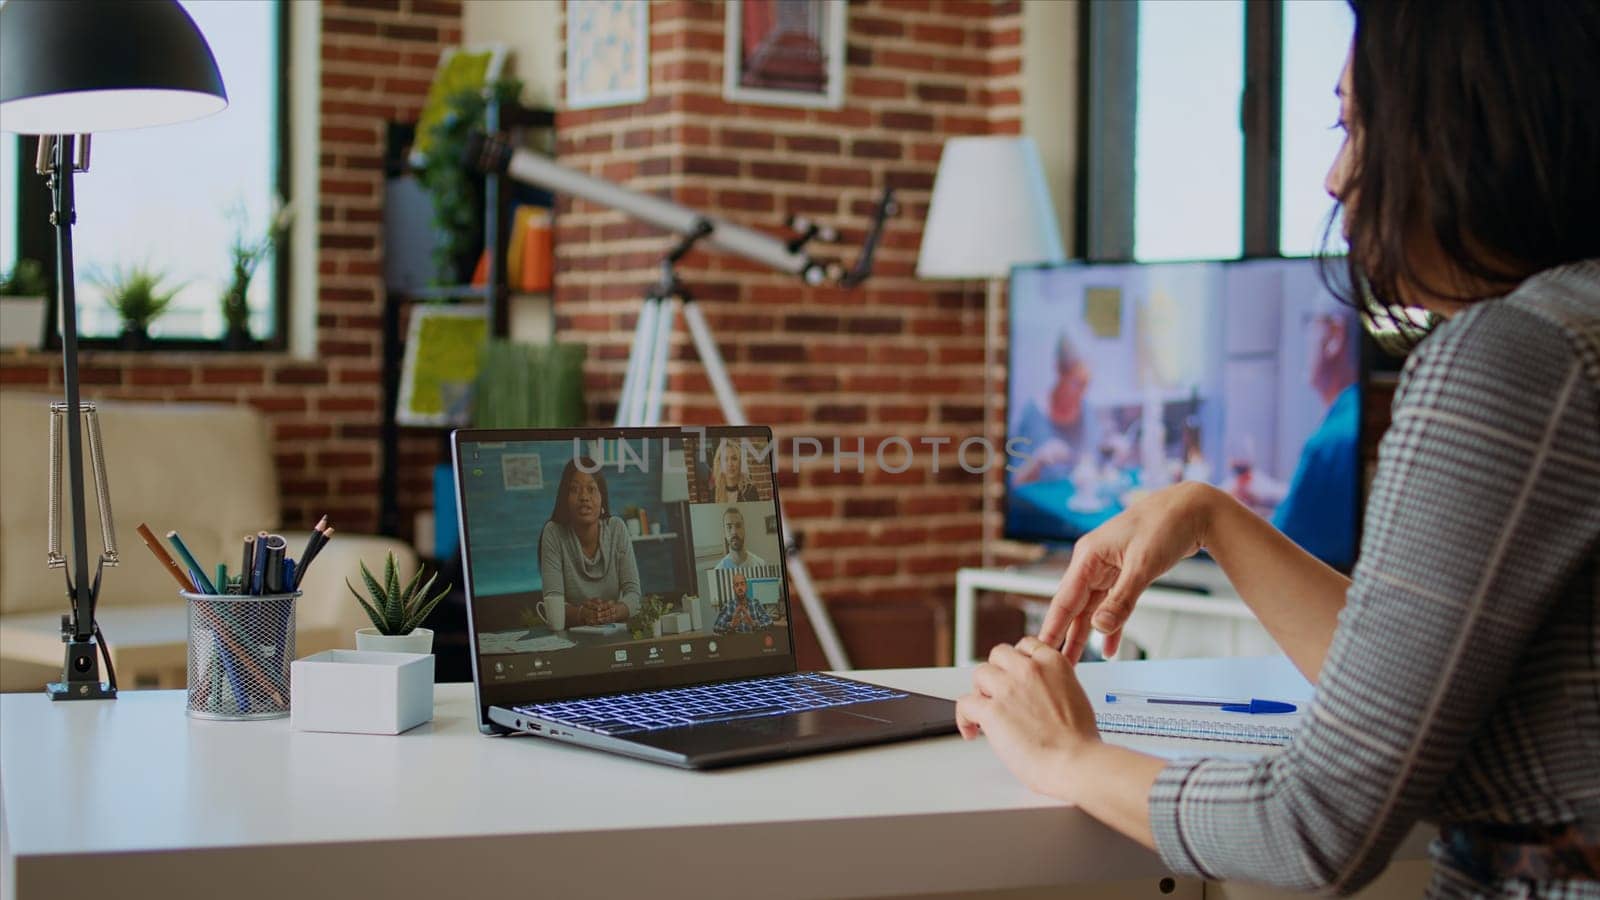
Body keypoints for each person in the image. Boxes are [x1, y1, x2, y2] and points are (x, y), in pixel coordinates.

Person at [958, 2, 1600, 896]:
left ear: (1462, 123)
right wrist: (1212, 515)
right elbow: (1408, 689)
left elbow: (1313, 824)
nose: (1337, 180)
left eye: (1354, 126)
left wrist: (1065, 756)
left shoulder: (1512, 356)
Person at [1269, 302, 1361, 566]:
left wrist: (1213, 511)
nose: (1305, 340)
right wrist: (1275, 493)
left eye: (1311, 324)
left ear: (1335, 335)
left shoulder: (1330, 444)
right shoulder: (1355, 415)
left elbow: (1274, 555)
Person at [538, 458, 641, 628]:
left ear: (602, 498)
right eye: (575, 489)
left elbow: (634, 595)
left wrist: (613, 612)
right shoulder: (553, 532)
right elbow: (553, 603)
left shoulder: (616, 528)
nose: (584, 497)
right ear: (565, 498)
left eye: (592, 489)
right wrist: (581, 614)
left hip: (613, 632)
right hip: (571, 639)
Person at [1011, 330, 1098, 485]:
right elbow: (1015, 483)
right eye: (1077, 384)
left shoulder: (1088, 412)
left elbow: (1097, 470)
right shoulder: (1033, 415)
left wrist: (1115, 456)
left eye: (1087, 384)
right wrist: (1038, 460)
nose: (1082, 393)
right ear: (1058, 370)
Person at [710, 437, 761, 502]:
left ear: (740, 462)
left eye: (734, 458)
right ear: (720, 464)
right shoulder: (713, 493)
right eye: (725, 459)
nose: (730, 464)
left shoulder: (750, 491)